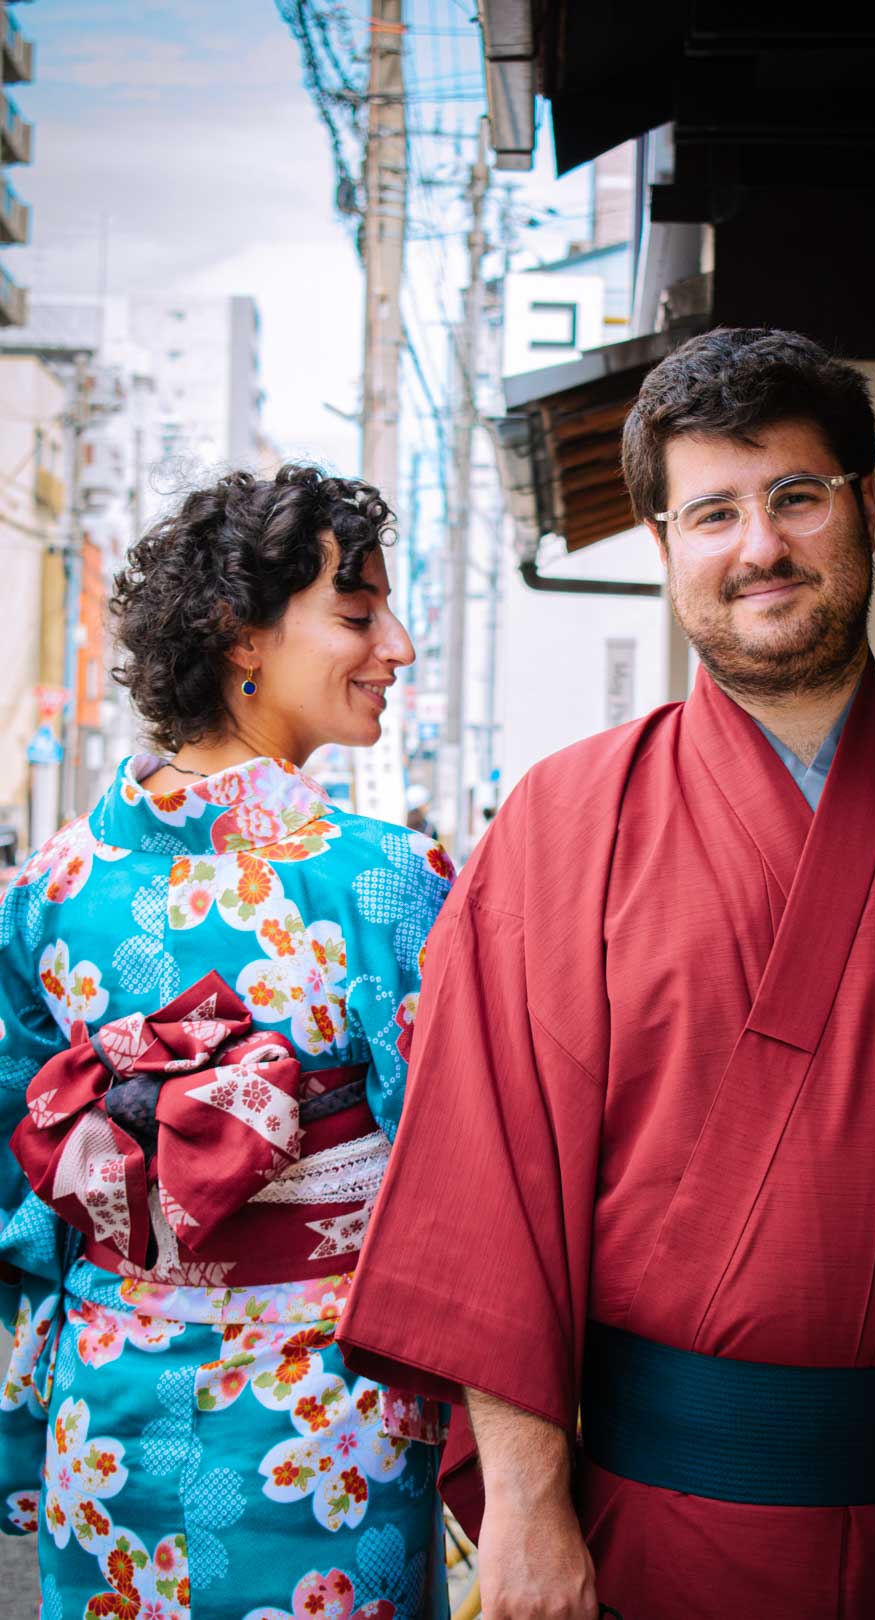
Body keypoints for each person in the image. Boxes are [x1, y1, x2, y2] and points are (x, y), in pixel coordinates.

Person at [335, 328, 875, 1620]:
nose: (761, 546)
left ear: (868, 502)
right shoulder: (562, 826)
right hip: (670, 1531)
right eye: (714, 513)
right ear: (663, 542)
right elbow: (488, 1189)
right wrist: (526, 1504)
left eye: (798, 495)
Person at [0, 466, 455, 1620]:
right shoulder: (385, 881)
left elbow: (22, 1190)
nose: (397, 647)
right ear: (239, 635)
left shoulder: (51, 886)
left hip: (103, 1416)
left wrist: (19, 1420)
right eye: (358, 614)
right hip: (326, 1431)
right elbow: (464, 1188)